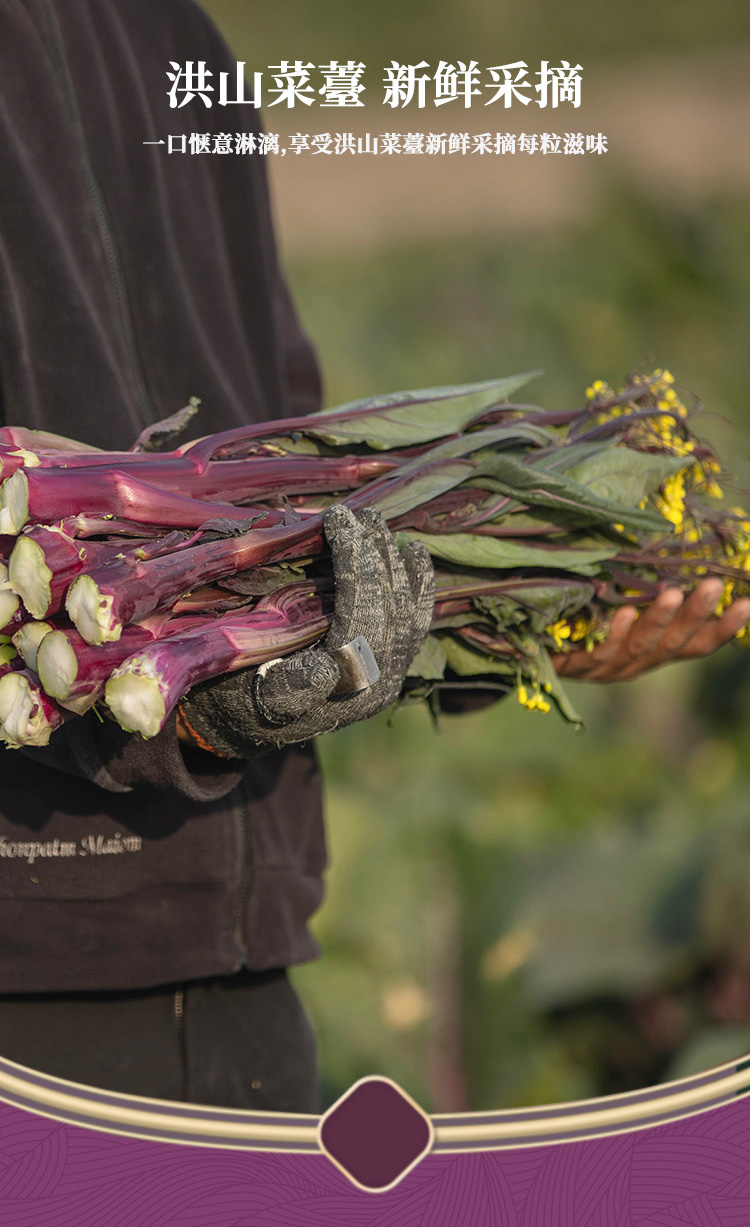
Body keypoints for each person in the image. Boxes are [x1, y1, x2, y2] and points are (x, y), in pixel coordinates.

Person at [0, 0, 746, 1111]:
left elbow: (299, 447)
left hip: (240, 949)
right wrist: (198, 705)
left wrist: (514, 614)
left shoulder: (175, 39)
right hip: (37, 969)